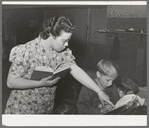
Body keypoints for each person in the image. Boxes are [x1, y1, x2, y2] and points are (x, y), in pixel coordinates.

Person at [5, 16, 114, 114]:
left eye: (68, 40)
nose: (67, 44)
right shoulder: (26, 50)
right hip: (22, 109)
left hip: (46, 108)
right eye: (64, 40)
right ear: (51, 36)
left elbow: (75, 70)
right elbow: (11, 82)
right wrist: (40, 83)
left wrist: (99, 91)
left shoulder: (63, 51)